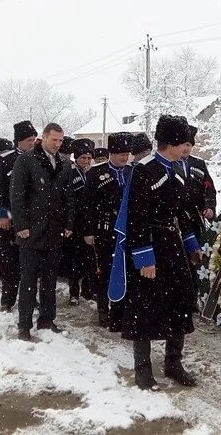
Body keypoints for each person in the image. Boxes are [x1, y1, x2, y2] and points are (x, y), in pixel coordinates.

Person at [120, 115, 200, 390]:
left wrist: (191, 244)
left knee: (180, 301)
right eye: (184, 143)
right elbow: (136, 216)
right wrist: (144, 257)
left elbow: (182, 212)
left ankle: (173, 363)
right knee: (145, 307)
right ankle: (143, 370)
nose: (187, 148)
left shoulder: (178, 169)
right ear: (172, 143)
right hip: (151, 244)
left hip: (173, 243)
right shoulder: (144, 169)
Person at [10, 122, 75, 340]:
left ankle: (47, 319)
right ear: (43, 138)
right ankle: (24, 325)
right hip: (31, 231)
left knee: (50, 280)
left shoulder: (65, 163)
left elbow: (69, 197)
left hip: (55, 230)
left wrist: (68, 224)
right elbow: (16, 195)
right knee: (28, 280)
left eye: (60, 140)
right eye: (53, 140)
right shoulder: (26, 160)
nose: (57, 144)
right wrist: (21, 226)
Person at [81, 132, 132, 327]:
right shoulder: (96, 173)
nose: (124, 158)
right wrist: (88, 231)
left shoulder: (132, 171)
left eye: (127, 154)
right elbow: (87, 205)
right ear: (111, 153)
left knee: (125, 271)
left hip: (126, 230)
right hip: (104, 230)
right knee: (106, 271)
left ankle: (121, 311)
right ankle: (104, 308)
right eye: (121, 154)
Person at [0, 121, 37, 312]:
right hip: (11, 218)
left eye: (34, 139)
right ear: (19, 141)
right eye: (29, 140)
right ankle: (7, 300)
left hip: (33, 219)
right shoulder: (6, 159)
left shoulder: (39, 158)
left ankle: (30, 297)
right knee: (11, 262)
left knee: (31, 263)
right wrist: (3, 215)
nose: (33, 143)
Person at [63, 138, 96, 305]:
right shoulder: (69, 172)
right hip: (74, 222)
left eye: (89, 158)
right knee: (74, 260)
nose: (86, 161)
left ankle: (88, 290)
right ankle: (73, 292)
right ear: (76, 158)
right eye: (83, 158)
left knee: (90, 258)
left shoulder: (94, 172)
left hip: (89, 222)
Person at [179, 125, 217, 240]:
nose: (185, 148)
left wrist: (209, 207)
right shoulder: (170, 164)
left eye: (188, 145)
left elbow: (209, 188)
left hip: (196, 217)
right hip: (177, 219)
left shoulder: (199, 163)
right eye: (183, 144)